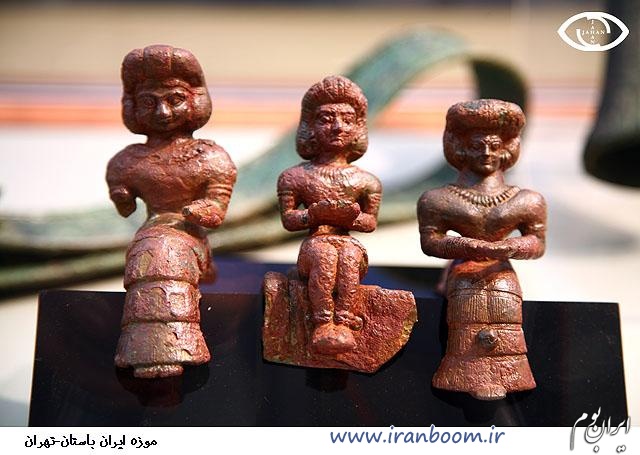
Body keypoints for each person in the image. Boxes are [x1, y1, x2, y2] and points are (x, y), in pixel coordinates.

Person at [106, 45, 237, 378]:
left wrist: (198, 212)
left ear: (195, 99)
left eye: (174, 99)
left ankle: (175, 347)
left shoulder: (209, 157)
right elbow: (126, 210)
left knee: (163, 250)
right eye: (149, 102)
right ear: (133, 106)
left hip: (188, 238)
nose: (163, 112)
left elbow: (216, 212)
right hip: (151, 233)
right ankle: (146, 349)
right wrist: (122, 196)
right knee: (151, 251)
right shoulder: (127, 161)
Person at [418, 99, 546, 400]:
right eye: (477, 146)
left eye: (493, 145)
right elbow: (430, 241)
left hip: (500, 268)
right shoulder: (437, 199)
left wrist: (510, 247)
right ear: (461, 148)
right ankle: (464, 373)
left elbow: (537, 241)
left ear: (506, 149)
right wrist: (463, 245)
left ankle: (508, 373)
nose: (486, 153)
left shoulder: (528, 200)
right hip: (463, 270)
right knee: (467, 287)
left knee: (503, 288)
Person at [277, 76, 382, 355]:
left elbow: (370, 222)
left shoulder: (366, 181)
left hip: (348, 243)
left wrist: (350, 218)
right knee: (324, 255)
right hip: (314, 245)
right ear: (309, 127)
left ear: (358, 127)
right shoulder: (295, 177)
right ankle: (323, 322)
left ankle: (344, 321)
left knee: (348, 256)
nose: (337, 127)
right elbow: (289, 219)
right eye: (326, 119)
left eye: (347, 120)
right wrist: (313, 215)